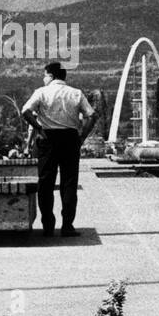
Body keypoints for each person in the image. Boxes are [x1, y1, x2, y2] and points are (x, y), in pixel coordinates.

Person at [22, 61, 96, 237]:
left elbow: (25, 111)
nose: (43, 78)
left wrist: (39, 128)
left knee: (45, 183)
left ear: (51, 76)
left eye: (45, 75)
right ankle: (67, 225)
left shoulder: (41, 92)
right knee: (69, 182)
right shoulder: (76, 93)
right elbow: (92, 115)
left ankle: (48, 224)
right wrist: (82, 136)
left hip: (47, 139)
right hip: (70, 138)